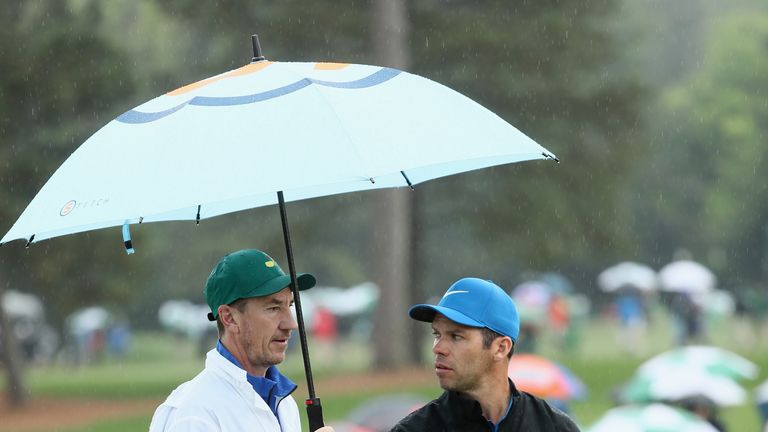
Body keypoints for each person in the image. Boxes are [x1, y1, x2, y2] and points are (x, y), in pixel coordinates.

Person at [149, 249, 334, 432]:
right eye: (273, 308)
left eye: (289, 305)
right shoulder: (194, 414)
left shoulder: (284, 404)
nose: (291, 323)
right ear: (229, 318)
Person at [392, 277, 580, 431]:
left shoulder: (554, 427)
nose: (438, 348)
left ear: (501, 348)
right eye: (437, 334)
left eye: (456, 336)